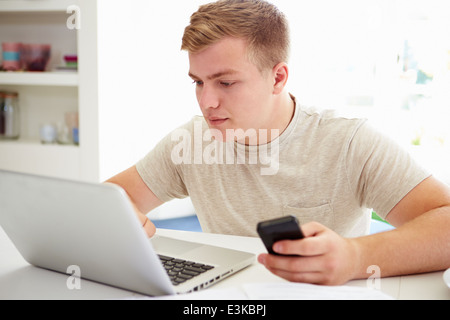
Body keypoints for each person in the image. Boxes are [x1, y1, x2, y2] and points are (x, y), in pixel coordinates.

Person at [107, 0, 450, 285]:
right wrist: (119, 216)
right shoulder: (190, 140)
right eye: (198, 82)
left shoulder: (349, 141)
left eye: (225, 83)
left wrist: (357, 256)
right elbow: (109, 198)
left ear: (278, 77)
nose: (207, 101)